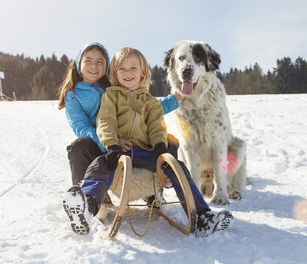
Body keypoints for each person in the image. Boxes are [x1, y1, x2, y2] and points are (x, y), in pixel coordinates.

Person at [62, 47, 234, 236]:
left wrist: (160, 146)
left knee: (177, 166)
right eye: (123, 69)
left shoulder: (149, 102)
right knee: (99, 165)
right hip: (120, 150)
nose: (128, 73)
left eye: (133, 69)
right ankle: (86, 206)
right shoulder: (110, 96)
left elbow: (156, 125)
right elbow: (105, 121)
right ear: (115, 72)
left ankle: (202, 216)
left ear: (143, 73)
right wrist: (111, 145)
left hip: (146, 151)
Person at [58, 42, 179, 187]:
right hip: (100, 144)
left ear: (108, 67)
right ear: (79, 64)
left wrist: (175, 99)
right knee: (78, 146)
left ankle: (156, 185)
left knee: (167, 140)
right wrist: (111, 142)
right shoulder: (73, 95)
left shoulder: (115, 87)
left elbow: (146, 108)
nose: (94, 66)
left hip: (128, 142)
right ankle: (81, 193)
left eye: (100, 62)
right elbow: (81, 126)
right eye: (88, 61)